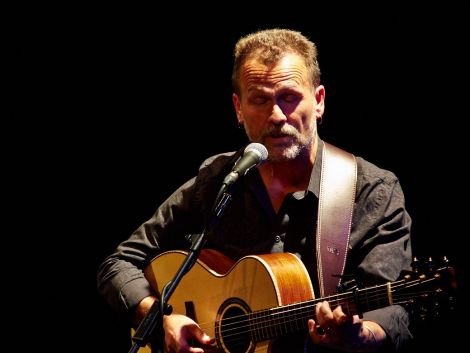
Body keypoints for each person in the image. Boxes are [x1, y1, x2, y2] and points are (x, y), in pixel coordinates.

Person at [97, 28, 413, 353]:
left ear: (318, 101)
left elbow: (392, 312)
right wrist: (161, 320)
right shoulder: (219, 177)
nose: (276, 116)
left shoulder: (372, 191)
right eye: (260, 99)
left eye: (289, 97)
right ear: (238, 107)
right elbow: (119, 264)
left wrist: (359, 336)